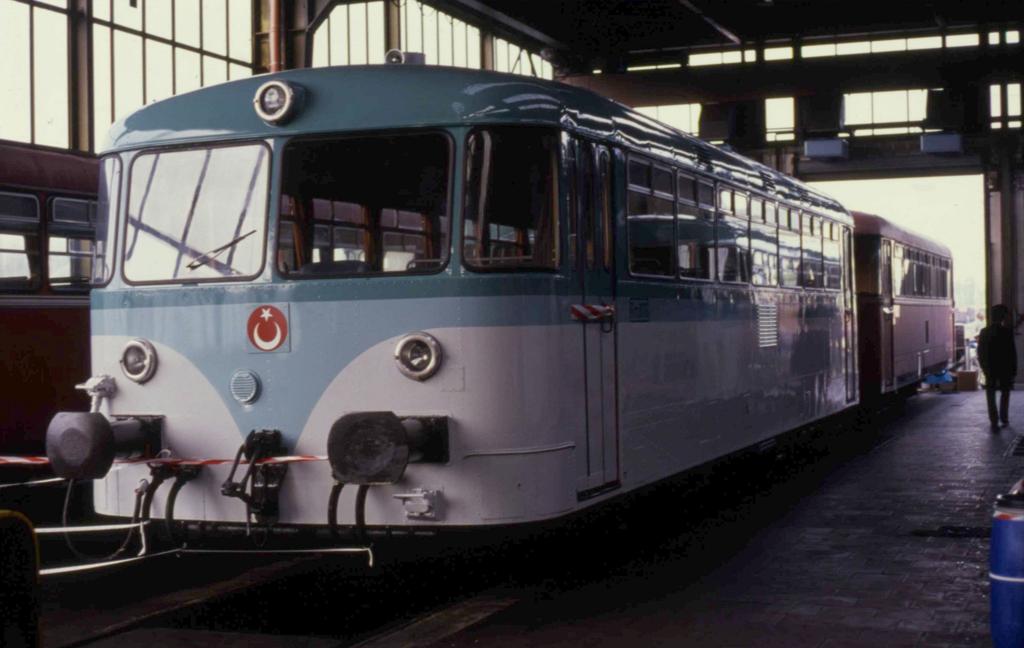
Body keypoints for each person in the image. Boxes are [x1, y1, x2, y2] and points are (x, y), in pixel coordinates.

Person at [977, 304, 1018, 428]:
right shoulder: (1007, 332)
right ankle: (1004, 417)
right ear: (1002, 318)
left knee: (990, 393)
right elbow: (1012, 353)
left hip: (990, 368)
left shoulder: (984, 332)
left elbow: (980, 352)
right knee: (1005, 392)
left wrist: (984, 366)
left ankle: (993, 419)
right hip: (1005, 368)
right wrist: (1013, 369)